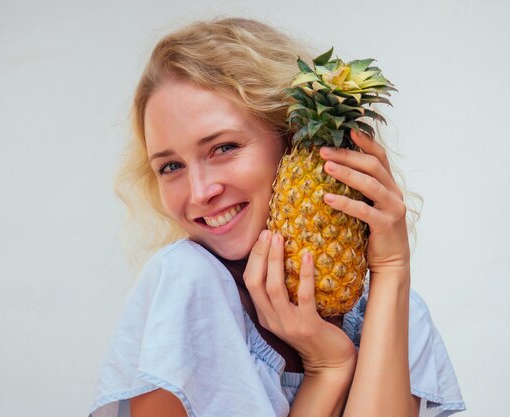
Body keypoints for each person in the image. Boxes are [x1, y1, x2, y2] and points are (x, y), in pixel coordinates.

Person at [89, 17, 465, 417]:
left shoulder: (391, 307)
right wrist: (328, 371)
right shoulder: (187, 283)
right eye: (170, 167)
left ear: (292, 139)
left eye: (224, 148)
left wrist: (391, 268)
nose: (200, 193)